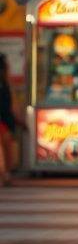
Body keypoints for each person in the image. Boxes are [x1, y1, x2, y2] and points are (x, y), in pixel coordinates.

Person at [0, 53, 26, 186]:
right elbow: (13, 106)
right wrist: (20, 121)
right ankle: (4, 175)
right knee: (4, 151)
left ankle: (4, 175)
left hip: (4, 121)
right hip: (3, 122)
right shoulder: (6, 83)